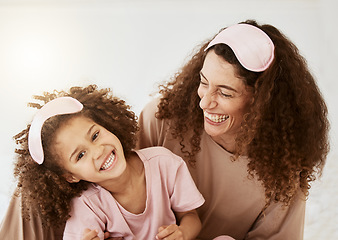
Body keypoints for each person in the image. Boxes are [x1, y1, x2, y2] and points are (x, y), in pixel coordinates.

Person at [137, 20, 330, 239]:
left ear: (262, 103)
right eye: (203, 82)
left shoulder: (283, 169)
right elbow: (110, 193)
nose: (205, 103)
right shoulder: (162, 119)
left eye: (225, 93)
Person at [3, 85, 206, 240]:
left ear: (108, 125)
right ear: (71, 176)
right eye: (80, 156)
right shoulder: (87, 204)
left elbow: (191, 217)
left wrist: (182, 234)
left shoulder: (164, 164)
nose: (98, 151)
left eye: (95, 135)